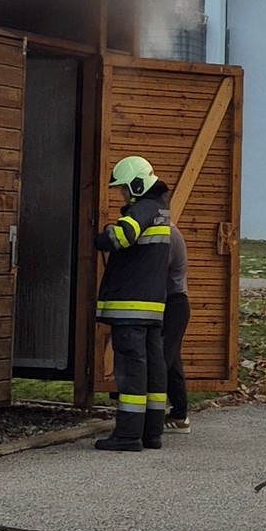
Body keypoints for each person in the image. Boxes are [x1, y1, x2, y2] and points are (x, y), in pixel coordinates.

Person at [93, 155, 173, 453]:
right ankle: (151, 434)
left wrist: (101, 238)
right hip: (152, 308)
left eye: (124, 189)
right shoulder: (161, 209)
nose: (122, 195)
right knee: (153, 369)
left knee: (131, 371)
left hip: (131, 308)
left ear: (137, 184)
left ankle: (127, 436)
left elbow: (123, 236)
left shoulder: (144, 208)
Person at [163, 223, 191, 434]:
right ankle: (179, 415)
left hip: (172, 303)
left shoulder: (167, 233)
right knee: (172, 361)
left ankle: (151, 414)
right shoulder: (168, 231)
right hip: (174, 303)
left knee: (163, 358)